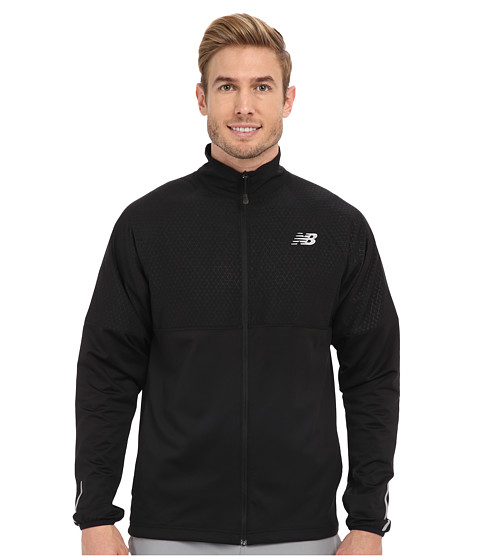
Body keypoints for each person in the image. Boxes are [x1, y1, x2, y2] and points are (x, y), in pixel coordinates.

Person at [73, 13, 400, 556]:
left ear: (287, 100)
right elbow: (106, 373)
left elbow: (373, 376)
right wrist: (94, 515)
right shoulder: (148, 225)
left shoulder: (338, 227)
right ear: (201, 98)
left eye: (262, 87)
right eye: (227, 87)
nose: (244, 106)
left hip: (304, 536)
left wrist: (368, 521)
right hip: (169, 535)